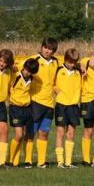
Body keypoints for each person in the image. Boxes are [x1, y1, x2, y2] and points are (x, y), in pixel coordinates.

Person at [23, 38, 59, 168]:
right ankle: (27, 160)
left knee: (44, 133)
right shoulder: (33, 59)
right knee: (31, 132)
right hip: (35, 102)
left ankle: (41, 161)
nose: (47, 51)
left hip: (49, 104)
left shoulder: (56, 62)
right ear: (41, 47)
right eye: (45, 47)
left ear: (54, 51)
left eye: (50, 49)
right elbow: (19, 69)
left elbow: (70, 62)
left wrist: (81, 65)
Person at [53, 48, 82, 169]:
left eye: (74, 62)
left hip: (74, 106)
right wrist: (57, 92)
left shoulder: (78, 71)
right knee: (60, 132)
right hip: (61, 105)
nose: (72, 65)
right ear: (65, 60)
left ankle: (68, 162)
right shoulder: (59, 70)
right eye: (70, 62)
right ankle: (60, 162)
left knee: (71, 133)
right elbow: (52, 83)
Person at [9, 58, 39, 166]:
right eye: (26, 69)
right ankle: (11, 160)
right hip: (15, 108)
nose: (27, 72)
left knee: (30, 135)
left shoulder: (32, 78)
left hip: (28, 108)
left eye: (30, 71)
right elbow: (14, 62)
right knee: (19, 134)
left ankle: (28, 161)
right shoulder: (15, 75)